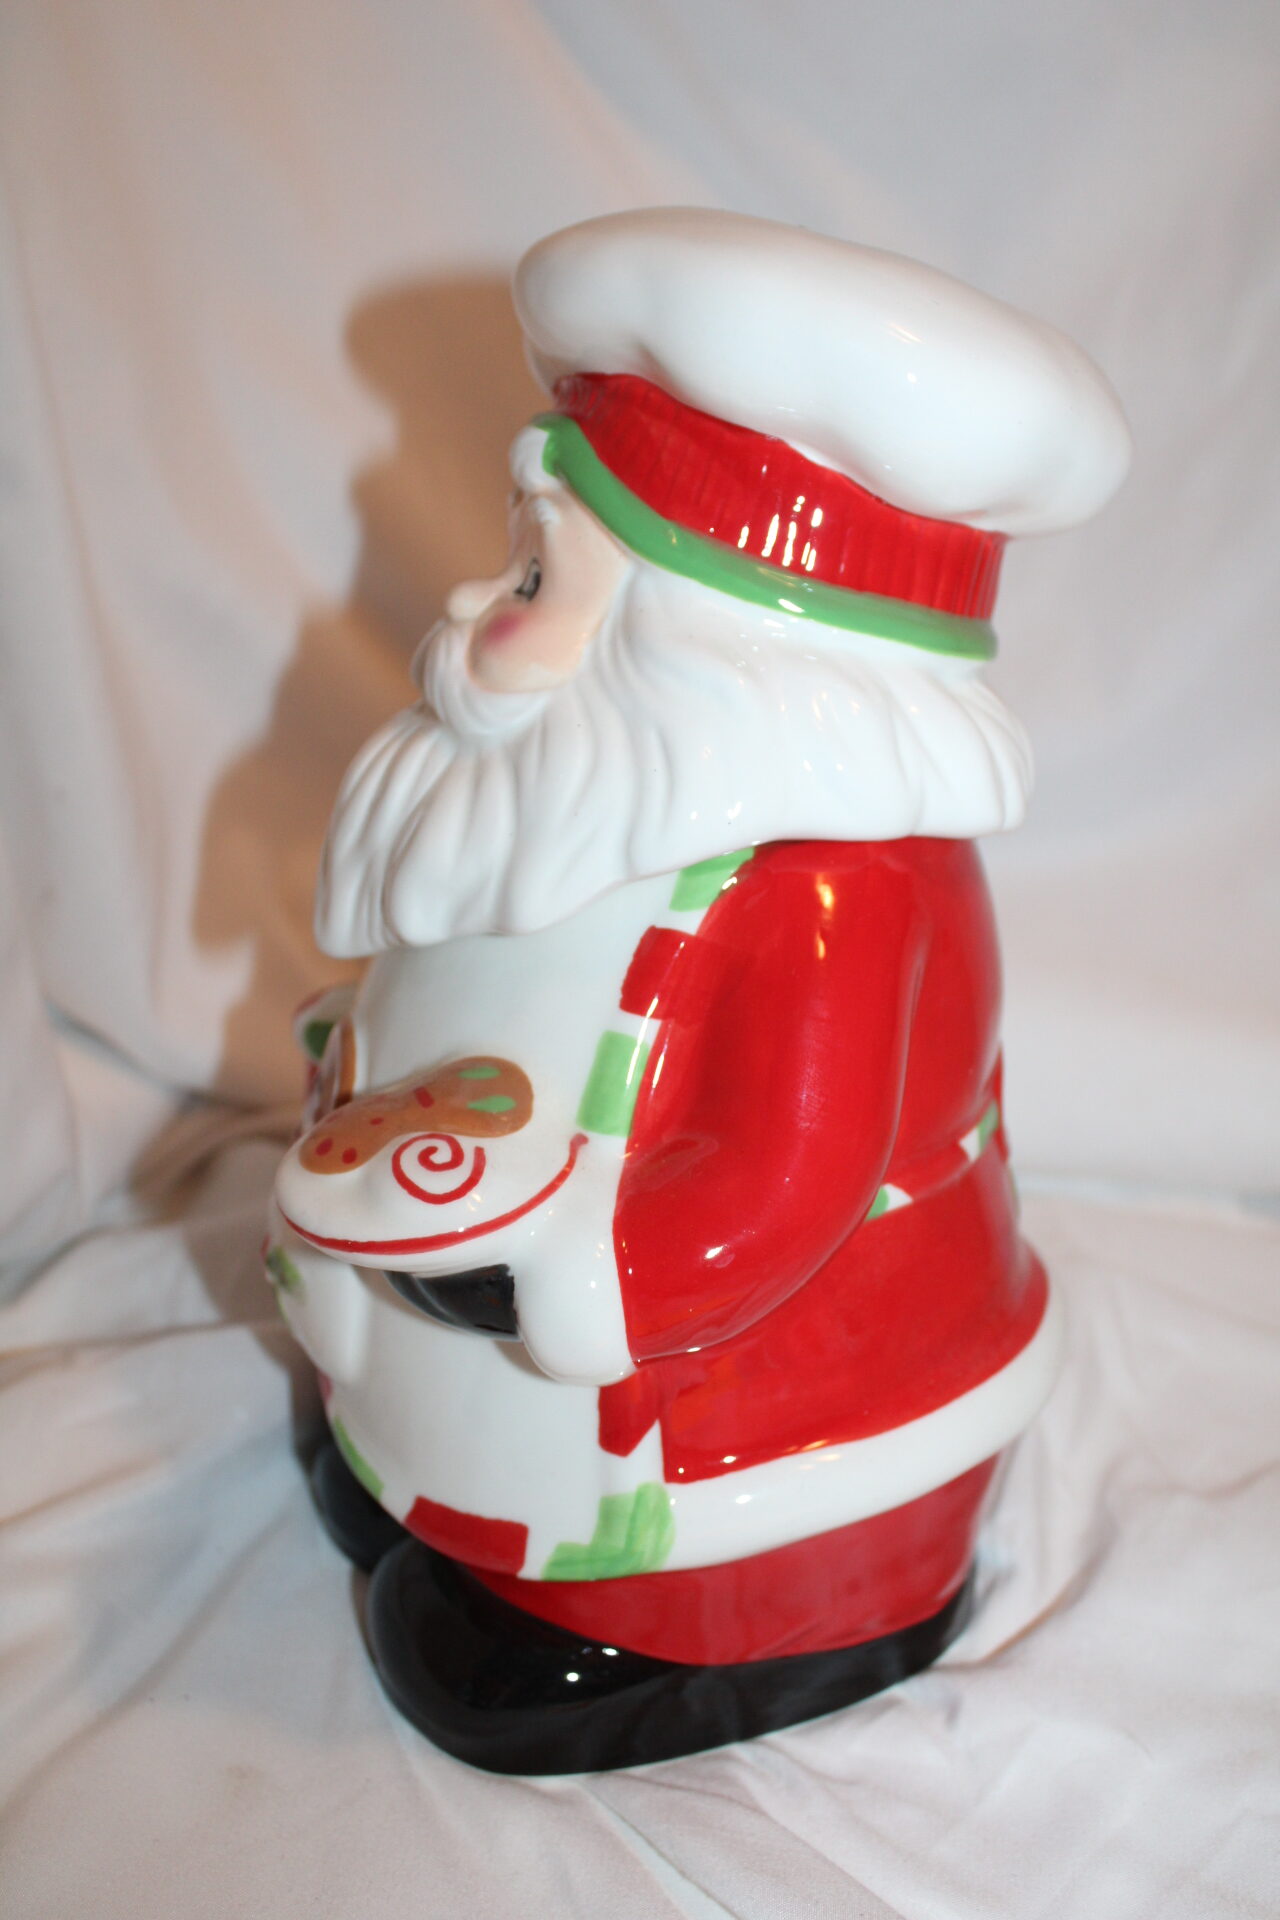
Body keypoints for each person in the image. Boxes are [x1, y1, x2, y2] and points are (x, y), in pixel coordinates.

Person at [267, 209, 1130, 1772]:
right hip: (460, 1306)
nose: (476, 607)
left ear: (692, 639)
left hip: (733, 1411)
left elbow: (782, 1181)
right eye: (520, 557)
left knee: (642, 1544)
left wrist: (540, 1281)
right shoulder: (559, 798)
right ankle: (418, 1475)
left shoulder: (835, 893)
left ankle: (683, 1633)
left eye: (543, 572)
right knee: (415, 1439)